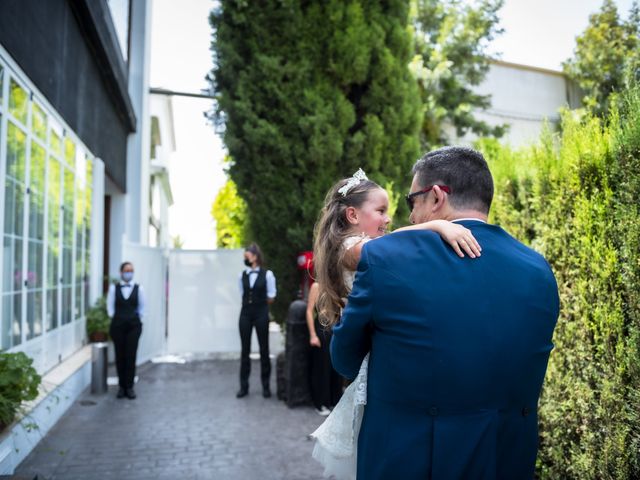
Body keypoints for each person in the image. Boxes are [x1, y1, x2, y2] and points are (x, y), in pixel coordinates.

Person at [331, 147, 560, 479]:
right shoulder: (539, 270)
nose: (409, 217)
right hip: (507, 461)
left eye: (412, 202)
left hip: (410, 463)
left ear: (436, 196)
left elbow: (344, 359)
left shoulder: (387, 259)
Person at [310, 168, 481, 479]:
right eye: (380, 211)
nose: (388, 219)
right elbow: (386, 249)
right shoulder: (350, 248)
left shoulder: (358, 245)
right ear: (352, 215)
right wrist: (437, 225)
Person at [236, 243, 277, 399]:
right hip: (245, 313)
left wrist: (260, 303)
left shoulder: (268, 275)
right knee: (244, 351)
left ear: (255, 256)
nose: (246, 258)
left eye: (248, 256)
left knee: (264, 350)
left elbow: (271, 296)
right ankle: (243, 387)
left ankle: (266, 387)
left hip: (261, 313)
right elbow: (243, 293)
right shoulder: (242, 275)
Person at [107, 261, 145, 400]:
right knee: (120, 355)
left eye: (131, 270)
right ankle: (121, 386)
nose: (129, 273)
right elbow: (110, 308)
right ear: (121, 272)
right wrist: (118, 318)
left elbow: (142, 308)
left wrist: (134, 319)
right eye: (127, 270)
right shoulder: (114, 288)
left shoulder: (138, 288)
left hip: (133, 326)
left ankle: (130, 387)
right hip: (118, 326)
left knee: (131, 355)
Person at [306, 281, 342, 416]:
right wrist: (312, 335)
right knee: (322, 367)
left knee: (335, 366)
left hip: (336, 328)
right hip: (321, 330)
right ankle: (320, 403)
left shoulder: (338, 286)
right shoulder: (317, 286)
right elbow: (309, 311)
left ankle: (334, 401)